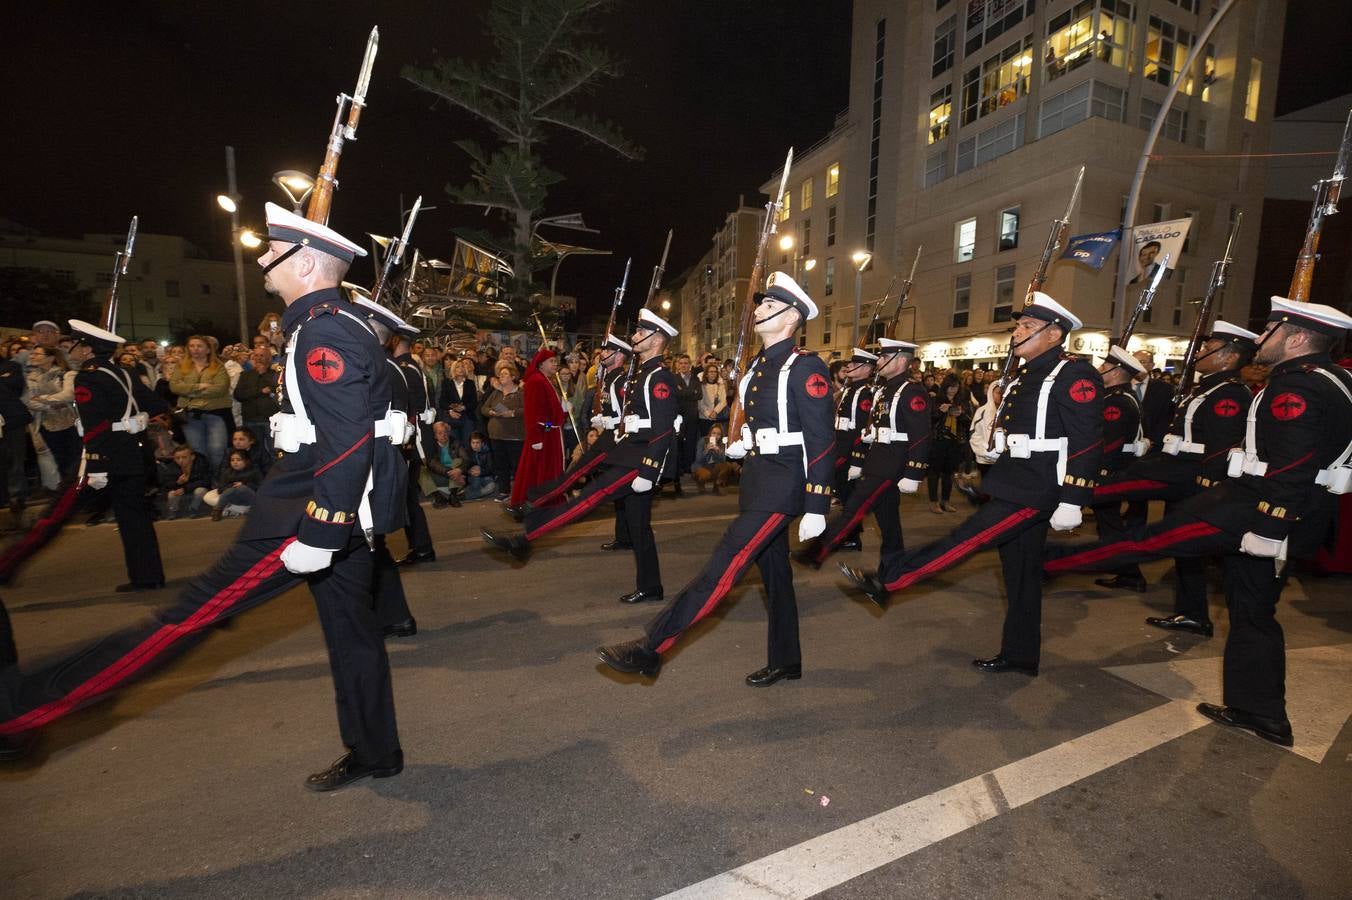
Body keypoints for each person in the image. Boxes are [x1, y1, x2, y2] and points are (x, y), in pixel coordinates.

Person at [0, 204, 408, 788]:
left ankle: (22, 709)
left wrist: (321, 529)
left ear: (309, 262)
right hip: (336, 505)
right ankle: (375, 750)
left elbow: (346, 441)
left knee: (188, 618)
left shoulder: (323, 329)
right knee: (352, 632)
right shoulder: (331, 323)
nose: (264, 258)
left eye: (275, 251)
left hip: (311, 510)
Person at [1044, 298, 1352, 746]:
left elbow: (1293, 467)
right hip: (1287, 507)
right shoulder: (1331, 378)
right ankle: (1260, 712)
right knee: (1252, 611)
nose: (1260, 339)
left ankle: (1051, 561)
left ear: (1298, 338)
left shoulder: (1298, 388)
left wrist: (1270, 528)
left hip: (1266, 510)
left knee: (1158, 539)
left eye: (1269, 331)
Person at [840, 292, 1104, 678]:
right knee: (1020, 576)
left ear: (1054, 333)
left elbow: (1087, 438)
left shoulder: (1073, 373)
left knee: (967, 537)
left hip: (1038, 486)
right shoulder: (1026, 374)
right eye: (1018, 325)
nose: (1017, 333)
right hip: (1015, 477)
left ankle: (890, 580)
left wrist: (1074, 498)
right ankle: (1020, 655)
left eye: (1028, 327)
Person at [596, 272, 834, 684]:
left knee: (723, 565)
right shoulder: (760, 365)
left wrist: (817, 503)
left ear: (792, 315)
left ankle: (651, 647)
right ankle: (787, 659)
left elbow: (821, 438)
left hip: (783, 485)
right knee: (776, 577)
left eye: (769, 305)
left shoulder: (805, 367)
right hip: (758, 477)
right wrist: (742, 442)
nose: (758, 309)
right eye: (760, 304)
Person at [483, 309, 680, 607]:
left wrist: (650, 471)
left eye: (641, 333)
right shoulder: (642, 373)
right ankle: (651, 586)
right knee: (638, 525)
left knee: (587, 498)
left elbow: (665, 429)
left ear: (658, 339)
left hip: (640, 458)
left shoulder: (659, 377)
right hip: (629, 447)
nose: (635, 337)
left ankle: (525, 539)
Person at [1085, 322, 1258, 624]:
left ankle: (1194, 613)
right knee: (1184, 548)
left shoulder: (1229, 393)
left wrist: (1210, 484)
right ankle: (1192, 613)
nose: (1200, 352)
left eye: (1208, 348)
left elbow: (1221, 444)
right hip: (1181, 471)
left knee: (1187, 546)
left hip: (1195, 477)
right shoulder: (1208, 388)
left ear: (1229, 357)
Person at [794, 338, 929, 570]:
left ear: (902, 361)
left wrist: (914, 472)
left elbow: (922, 434)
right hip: (878, 459)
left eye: (886, 357)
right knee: (888, 523)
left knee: (854, 508)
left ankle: (816, 553)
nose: (881, 361)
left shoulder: (910, 391)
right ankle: (891, 573)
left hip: (892, 462)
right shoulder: (885, 390)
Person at [390, 324, 438, 567]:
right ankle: (419, 547)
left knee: (409, 499)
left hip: (410, 441)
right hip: (410, 439)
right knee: (407, 498)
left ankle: (421, 548)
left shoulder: (403, 368)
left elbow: (407, 409)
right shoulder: (409, 366)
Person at [828, 347, 878, 551]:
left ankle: (852, 537)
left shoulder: (863, 392)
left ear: (866, 368)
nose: (849, 366)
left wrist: (857, 460)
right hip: (841, 447)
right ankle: (850, 534)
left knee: (850, 496)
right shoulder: (851, 389)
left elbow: (860, 429)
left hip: (849, 451)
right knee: (845, 494)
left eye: (854, 364)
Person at [507, 347, 567, 509]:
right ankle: (535, 502)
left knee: (545, 469)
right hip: (543, 434)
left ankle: (548, 500)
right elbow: (532, 413)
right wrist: (538, 435)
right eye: (552, 361)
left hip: (549, 432)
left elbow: (548, 410)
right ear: (541, 364)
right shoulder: (536, 381)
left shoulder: (546, 380)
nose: (556, 364)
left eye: (556, 361)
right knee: (538, 469)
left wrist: (562, 410)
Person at [170, 336, 233, 471]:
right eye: (192, 346)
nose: (195, 349)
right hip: (190, 415)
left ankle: (218, 480)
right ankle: (202, 481)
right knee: (198, 451)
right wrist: (199, 387)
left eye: (199, 346)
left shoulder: (218, 367)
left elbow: (221, 388)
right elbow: (174, 387)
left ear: (208, 349)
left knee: (217, 450)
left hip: (215, 414)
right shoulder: (181, 366)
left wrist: (188, 390)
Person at [25, 345, 81, 488]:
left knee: (75, 460)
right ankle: (66, 493)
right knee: (61, 461)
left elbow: (68, 395)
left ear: (50, 357)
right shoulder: (31, 377)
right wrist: (50, 405)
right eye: (32, 354)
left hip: (70, 423)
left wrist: (43, 398)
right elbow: (29, 401)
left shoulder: (66, 374)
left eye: (37, 354)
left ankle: (80, 492)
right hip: (46, 425)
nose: (33, 356)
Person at [927, 377, 972, 513]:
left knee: (949, 473)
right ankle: (933, 502)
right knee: (934, 472)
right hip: (938, 440)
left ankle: (945, 501)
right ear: (945, 386)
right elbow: (929, 419)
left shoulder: (962, 402)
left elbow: (969, 422)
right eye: (951, 387)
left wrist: (961, 414)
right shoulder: (936, 400)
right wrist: (941, 411)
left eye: (956, 387)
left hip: (955, 441)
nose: (953, 390)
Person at [480, 362, 524, 499]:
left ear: (513, 377)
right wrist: (491, 412)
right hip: (496, 436)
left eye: (505, 374)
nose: (501, 376)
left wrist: (512, 413)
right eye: (500, 374)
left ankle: (519, 493)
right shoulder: (496, 393)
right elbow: (484, 408)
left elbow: (528, 409)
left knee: (517, 467)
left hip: (515, 436)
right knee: (501, 465)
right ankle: (504, 491)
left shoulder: (520, 393)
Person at [0, 348, 32, 515]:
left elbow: (16, 387)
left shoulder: (11, 365)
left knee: (16, 459)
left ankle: (17, 495)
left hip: (12, 420)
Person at [234, 346, 281, 455]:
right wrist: (260, 391)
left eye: (262, 355)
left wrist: (264, 374)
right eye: (256, 355)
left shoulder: (275, 375)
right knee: (253, 453)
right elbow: (238, 395)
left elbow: (277, 390)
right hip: (251, 419)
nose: (259, 358)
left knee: (274, 452)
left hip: (271, 420)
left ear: (269, 358)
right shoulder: (245, 375)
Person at [204, 447, 263, 519]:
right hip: (233, 498)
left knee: (242, 488)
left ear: (246, 461)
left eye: (238, 460)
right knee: (209, 496)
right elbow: (220, 489)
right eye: (232, 460)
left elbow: (261, 487)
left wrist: (244, 484)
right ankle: (224, 509)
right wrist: (232, 486)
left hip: (250, 498)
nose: (235, 462)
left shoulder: (255, 471)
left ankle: (221, 509)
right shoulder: (227, 472)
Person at [439, 357, 477, 450]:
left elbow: (474, 402)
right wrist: (450, 410)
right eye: (457, 367)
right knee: (454, 444)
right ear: (453, 369)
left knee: (467, 443)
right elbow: (442, 401)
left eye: (462, 367)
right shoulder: (447, 383)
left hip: (467, 417)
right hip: (452, 417)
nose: (460, 369)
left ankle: (468, 463)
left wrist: (464, 407)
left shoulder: (470, 383)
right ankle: (455, 463)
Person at [691, 423, 737, 493]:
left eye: (718, 434)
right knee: (705, 474)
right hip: (701, 467)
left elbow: (723, 460)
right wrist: (706, 450)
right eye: (714, 433)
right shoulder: (702, 441)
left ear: (721, 435)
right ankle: (700, 484)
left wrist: (718, 451)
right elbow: (698, 459)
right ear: (710, 433)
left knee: (727, 466)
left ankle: (717, 485)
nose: (716, 436)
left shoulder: (722, 443)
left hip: (713, 468)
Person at [697, 361, 728, 436]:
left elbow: (723, 401)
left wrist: (715, 412)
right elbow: (700, 403)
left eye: (715, 372)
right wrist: (708, 414)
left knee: (718, 439)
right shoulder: (701, 385)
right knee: (706, 439)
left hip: (718, 417)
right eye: (711, 372)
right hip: (704, 417)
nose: (713, 373)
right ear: (706, 374)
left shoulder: (720, 385)